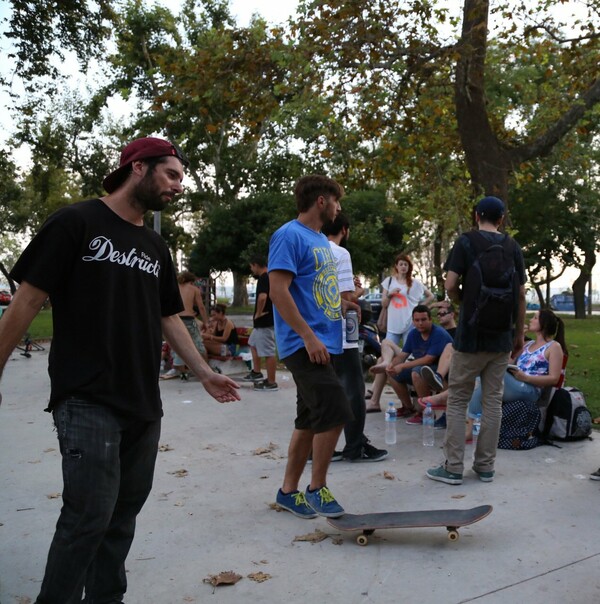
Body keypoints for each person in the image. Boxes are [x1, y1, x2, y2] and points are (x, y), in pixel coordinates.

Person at [0, 136, 240, 602]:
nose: (177, 186)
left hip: (142, 402)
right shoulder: (76, 222)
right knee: (87, 517)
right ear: (138, 167)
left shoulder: (154, 245)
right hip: (86, 395)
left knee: (121, 517)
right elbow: (27, 300)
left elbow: (168, 316)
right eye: (171, 174)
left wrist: (203, 371)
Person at [269, 174, 354, 519]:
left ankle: (287, 492)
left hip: (324, 342)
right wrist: (307, 335)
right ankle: (317, 488)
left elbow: (315, 290)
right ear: (322, 201)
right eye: (337, 201)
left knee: (308, 419)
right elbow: (278, 291)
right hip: (304, 343)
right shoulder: (289, 235)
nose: (339, 208)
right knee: (336, 410)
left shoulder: (319, 240)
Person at [427, 196, 525, 486]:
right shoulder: (512, 247)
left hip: (470, 336)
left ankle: (453, 468)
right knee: (493, 401)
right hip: (501, 338)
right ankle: (485, 467)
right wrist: (518, 333)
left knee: (458, 400)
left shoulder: (466, 242)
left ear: (476, 214)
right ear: (502, 219)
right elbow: (520, 294)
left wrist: (460, 301)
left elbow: (449, 284)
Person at [322, 213, 388, 462]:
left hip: (314, 334)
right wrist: (358, 290)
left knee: (319, 390)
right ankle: (355, 445)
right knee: (353, 387)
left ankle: (312, 448)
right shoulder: (340, 254)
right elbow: (345, 299)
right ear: (345, 229)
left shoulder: (309, 249)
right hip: (341, 332)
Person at [367, 305, 452, 421]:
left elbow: (428, 359)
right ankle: (408, 408)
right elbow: (403, 355)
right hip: (421, 368)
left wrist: (402, 366)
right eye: (417, 320)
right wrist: (392, 366)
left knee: (417, 372)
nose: (420, 323)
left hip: (438, 372)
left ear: (430, 320)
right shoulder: (413, 334)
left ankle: (424, 413)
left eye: (423, 320)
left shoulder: (439, 333)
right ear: (413, 321)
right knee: (392, 373)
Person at [161, 270, 209, 379]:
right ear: (191, 281)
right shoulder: (194, 289)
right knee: (198, 345)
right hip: (188, 319)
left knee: (178, 346)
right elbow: (201, 307)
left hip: (176, 319)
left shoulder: (175, 288)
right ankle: (207, 370)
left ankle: (182, 371)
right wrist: (206, 322)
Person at [379, 253, 434, 344]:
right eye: (401, 264)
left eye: (406, 264)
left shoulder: (415, 283)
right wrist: (390, 294)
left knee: (408, 354)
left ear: (409, 267)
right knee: (388, 351)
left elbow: (431, 296)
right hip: (393, 324)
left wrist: (419, 308)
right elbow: (384, 304)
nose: (403, 267)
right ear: (396, 266)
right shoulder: (389, 281)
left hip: (409, 324)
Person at [244, 255, 278, 391]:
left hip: (265, 321)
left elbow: (262, 297)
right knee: (252, 344)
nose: (252, 270)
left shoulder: (265, 277)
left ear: (256, 264)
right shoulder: (270, 277)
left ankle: (271, 382)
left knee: (269, 351)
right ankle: (257, 372)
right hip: (262, 323)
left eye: (251, 267)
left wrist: (258, 313)